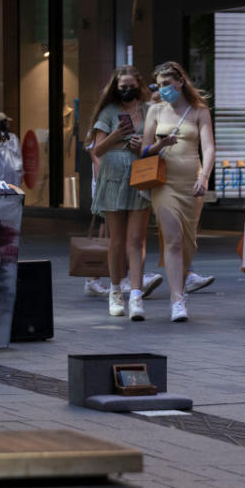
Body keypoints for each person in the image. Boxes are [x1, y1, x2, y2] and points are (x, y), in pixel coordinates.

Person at [141, 61, 215, 321]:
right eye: (159, 85)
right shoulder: (155, 111)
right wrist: (161, 145)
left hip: (192, 184)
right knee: (172, 240)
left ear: (180, 81)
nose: (163, 90)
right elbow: (144, 150)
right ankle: (177, 301)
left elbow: (208, 148)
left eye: (167, 84)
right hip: (164, 185)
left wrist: (204, 178)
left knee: (188, 243)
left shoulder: (199, 111)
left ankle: (180, 289)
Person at [87, 65, 153, 320]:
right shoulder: (109, 112)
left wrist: (142, 148)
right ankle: (115, 292)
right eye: (122, 87)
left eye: (131, 86)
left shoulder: (148, 111)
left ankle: (136, 295)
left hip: (140, 176)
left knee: (136, 240)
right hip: (114, 177)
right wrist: (117, 134)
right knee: (117, 240)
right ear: (115, 88)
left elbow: (155, 147)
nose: (127, 90)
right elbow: (98, 149)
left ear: (139, 84)